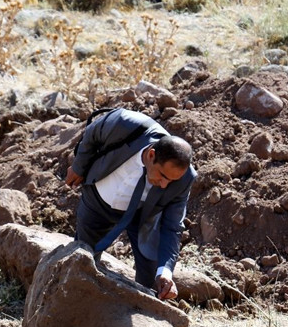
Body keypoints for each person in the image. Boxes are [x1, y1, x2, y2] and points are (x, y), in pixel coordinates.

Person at [66, 108, 196, 300]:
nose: (164, 185)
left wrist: (166, 272)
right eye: (163, 176)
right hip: (97, 201)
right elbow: (92, 133)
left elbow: (172, 226)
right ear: (151, 155)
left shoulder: (184, 179)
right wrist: (78, 166)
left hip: (141, 214)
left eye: (172, 181)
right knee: (84, 259)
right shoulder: (125, 124)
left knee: (152, 279)